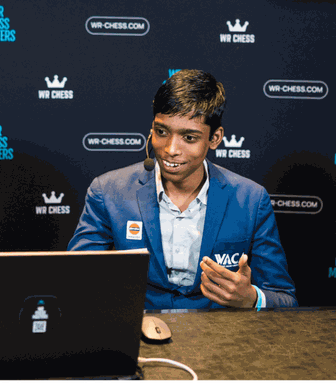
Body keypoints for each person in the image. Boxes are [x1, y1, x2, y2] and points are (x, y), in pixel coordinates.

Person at [68, 69, 297, 309]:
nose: (170, 149)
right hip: (140, 333)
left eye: (189, 138)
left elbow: (284, 298)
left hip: (222, 341)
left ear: (215, 138)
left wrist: (252, 298)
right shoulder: (108, 191)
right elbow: (74, 279)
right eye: (162, 132)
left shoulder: (251, 199)